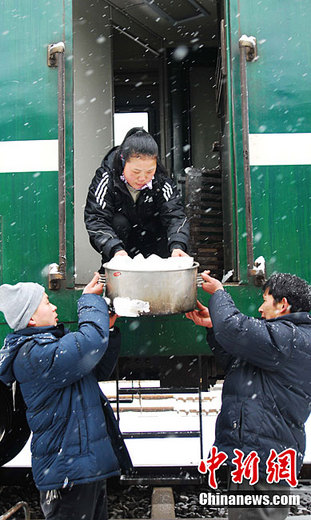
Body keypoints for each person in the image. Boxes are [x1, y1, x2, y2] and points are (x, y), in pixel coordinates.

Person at [0, 273, 132, 520]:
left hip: (83, 468)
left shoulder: (49, 346)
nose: (54, 306)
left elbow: (98, 368)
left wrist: (109, 327)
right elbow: (90, 343)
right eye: (47, 303)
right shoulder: (34, 355)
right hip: (67, 472)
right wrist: (88, 302)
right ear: (30, 319)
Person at [186, 271, 311, 520]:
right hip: (258, 453)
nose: (261, 309)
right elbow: (238, 362)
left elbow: (235, 329)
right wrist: (214, 326)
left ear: (282, 304)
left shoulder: (290, 338)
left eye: (265, 300)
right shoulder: (286, 339)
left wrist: (220, 294)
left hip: (265, 456)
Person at [84, 127, 190, 270]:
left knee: (167, 228)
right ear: (123, 162)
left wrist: (178, 246)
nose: (142, 178)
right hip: (119, 247)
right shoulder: (106, 178)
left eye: (149, 172)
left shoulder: (161, 180)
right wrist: (115, 249)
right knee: (118, 222)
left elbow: (176, 216)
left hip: (153, 242)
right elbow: (96, 219)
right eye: (136, 171)